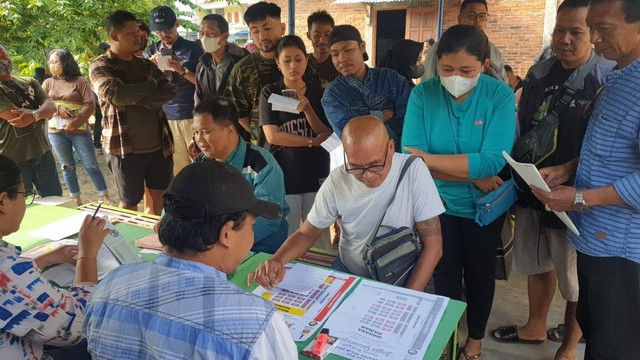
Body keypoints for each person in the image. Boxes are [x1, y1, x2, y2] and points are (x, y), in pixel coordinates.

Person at [490, 2, 615, 359]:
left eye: (576, 32)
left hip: (573, 198)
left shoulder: (607, 77)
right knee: (536, 262)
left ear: (593, 32)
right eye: (559, 30)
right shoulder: (539, 72)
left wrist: (569, 171)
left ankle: (569, 346)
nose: (564, 39)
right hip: (533, 189)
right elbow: (525, 127)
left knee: (573, 279)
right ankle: (535, 326)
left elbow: (609, 148)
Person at [83, 160, 297, 359]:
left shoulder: (108, 287)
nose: (251, 236)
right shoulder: (257, 322)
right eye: (251, 226)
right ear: (227, 233)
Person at [530, 0, 640, 358]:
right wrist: (569, 169)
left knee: (613, 347)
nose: (593, 38)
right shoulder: (620, 75)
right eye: (589, 26)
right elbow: (615, 149)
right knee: (597, 332)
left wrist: (579, 198)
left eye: (603, 28)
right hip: (595, 240)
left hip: (623, 253)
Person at [402, 25, 516, 360]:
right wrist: (471, 174)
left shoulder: (499, 95)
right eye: (447, 69)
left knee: (480, 274)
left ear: (483, 64)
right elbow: (411, 159)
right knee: (444, 271)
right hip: (436, 205)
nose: (455, 77)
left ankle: (475, 339)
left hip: (485, 207)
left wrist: (430, 161)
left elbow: (492, 162)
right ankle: (448, 333)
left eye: (466, 70)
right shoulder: (423, 94)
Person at [249, 116, 444, 292]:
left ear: (391, 147)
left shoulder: (413, 170)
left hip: (399, 276)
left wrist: (406, 295)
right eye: (356, 167)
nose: (367, 175)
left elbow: (433, 246)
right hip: (349, 272)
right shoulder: (337, 180)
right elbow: (307, 233)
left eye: (376, 165)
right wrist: (277, 260)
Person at [0, 154, 109, 360]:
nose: (25, 201)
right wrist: (87, 255)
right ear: (3, 201)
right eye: (25, 194)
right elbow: (79, 326)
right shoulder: (7, 270)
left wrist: (47, 258)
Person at [90, 10, 175, 215]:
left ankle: (156, 239)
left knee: (160, 197)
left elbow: (169, 90)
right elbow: (115, 94)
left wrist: (136, 98)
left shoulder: (145, 64)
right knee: (129, 203)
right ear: (114, 36)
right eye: (131, 33)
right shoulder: (100, 65)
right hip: (124, 149)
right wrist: (149, 87)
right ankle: (129, 243)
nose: (139, 36)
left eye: (138, 32)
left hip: (159, 146)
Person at [259, 35, 332, 245]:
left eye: (298, 59)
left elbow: (324, 132)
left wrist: (308, 109)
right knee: (288, 235)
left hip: (316, 172)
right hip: (284, 174)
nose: (293, 66)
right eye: (287, 60)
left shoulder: (318, 91)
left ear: (307, 60)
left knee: (319, 235)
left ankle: (321, 276)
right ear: (278, 63)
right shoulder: (270, 92)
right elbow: (273, 135)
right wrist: (310, 142)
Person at [192, 96, 288, 254]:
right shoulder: (199, 164)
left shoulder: (262, 163)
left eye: (206, 132)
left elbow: (269, 218)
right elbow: (179, 198)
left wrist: (225, 242)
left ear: (229, 131)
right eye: (196, 132)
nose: (199, 140)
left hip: (261, 250)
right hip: (215, 246)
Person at [321, 25, 411, 149]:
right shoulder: (332, 96)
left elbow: (409, 119)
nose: (342, 59)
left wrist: (365, 125)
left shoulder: (391, 79)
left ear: (362, 47)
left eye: (348, 50)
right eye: (335, 54)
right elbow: (351, 137)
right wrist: (381, 116)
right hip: (363, 163)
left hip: (400, 155)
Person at [42, 49, 111, 206]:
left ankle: (104, 196)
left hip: (79, 131)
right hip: (56, 133)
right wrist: (58, 108)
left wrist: (75, 123)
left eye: (55, 62)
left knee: (91, 165)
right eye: (50, 62)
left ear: (65, 63)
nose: (51, 65)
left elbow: (90, 103)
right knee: (67, 167)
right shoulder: (47, 83)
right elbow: (42, 103)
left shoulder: (81, 81)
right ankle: (76, 199)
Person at [146, 6, 204, 175]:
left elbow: (203, 83)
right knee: (178, 167)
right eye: (158, 31)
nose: (164, 34)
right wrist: (150, 68)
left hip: (192, 114)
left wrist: (182, 70)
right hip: (166, 115)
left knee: (200, 162)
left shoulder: (193, 48)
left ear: (177, 24)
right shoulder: (151, 50)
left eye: (168, 29)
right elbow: (147, 86)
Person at [0, 43, 63, 197]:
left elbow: (52, 108)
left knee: (55, 200)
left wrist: (34, 114)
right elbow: (17, 117)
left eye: (3, 55)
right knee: (22, 209)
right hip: (13, 160)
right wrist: (41, 112)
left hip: (42, 152)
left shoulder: (29, 81)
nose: (2, 60)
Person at [225, 2, 285, 144]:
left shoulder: (300, 61)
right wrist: (260, 134)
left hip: (302, 144)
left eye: (267, 28)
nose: (262, 35)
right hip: (265, 151)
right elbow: (238, 113)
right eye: (255, 31)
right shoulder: (242, 70)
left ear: (282, 28)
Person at [420, 0, 508, 84]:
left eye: (482, 16)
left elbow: (502, 81)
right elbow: (428, 80)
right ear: (460, 19)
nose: (477, 20)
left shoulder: (493, 50)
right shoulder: (442, 46)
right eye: (471, 15)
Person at [195, 14, 249, 104]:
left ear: (224, 36)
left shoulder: (242, 61)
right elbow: (199, 98)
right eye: (202, 33)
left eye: (210, 34)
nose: (204, 38)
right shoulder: (202, 66)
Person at [306, 10, 340, 86]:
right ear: (309, 35)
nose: (322, 41)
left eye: (327, 35)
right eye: (317, 35)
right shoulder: (301, 62)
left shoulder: (339, 64)